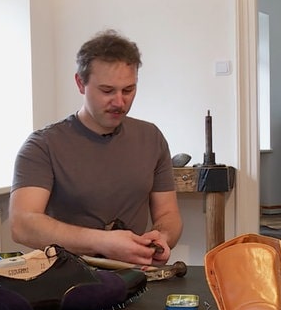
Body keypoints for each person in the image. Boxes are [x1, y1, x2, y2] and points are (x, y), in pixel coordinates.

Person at [9, 29, 182, 266]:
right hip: (69, 279)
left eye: (128, 90)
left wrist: (162, 236)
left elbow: (168, 215)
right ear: (81, 83)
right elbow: (22, 224)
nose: (119, 102)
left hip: (137, 276)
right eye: (107, 91)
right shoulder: (42, 146)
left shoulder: (151, 138)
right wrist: (103, 242)